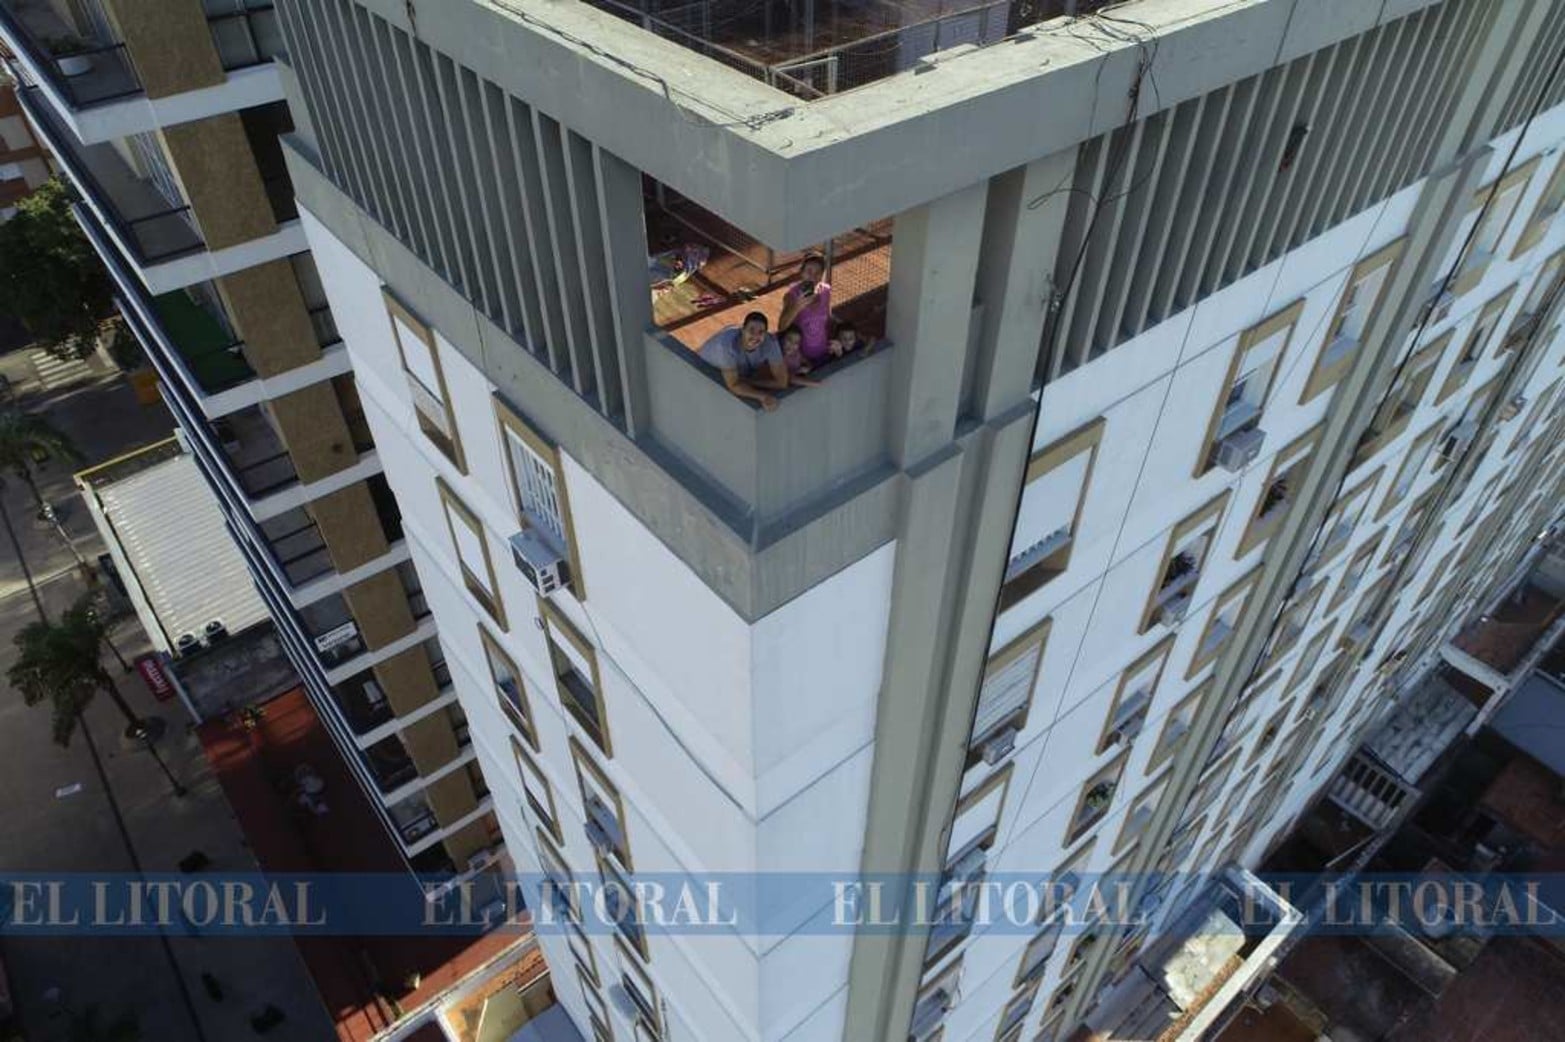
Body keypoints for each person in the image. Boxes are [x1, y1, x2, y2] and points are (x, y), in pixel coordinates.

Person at [698, 311, 790, 410]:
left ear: (766, 334)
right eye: (751, 330)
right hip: (705, 368)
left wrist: (749, 382)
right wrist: (764, 396)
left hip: (738, 369)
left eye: (761, 332)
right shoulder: (727, 347)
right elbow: (734, 385)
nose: (755, 336)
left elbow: (782, 382)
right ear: (742, 330)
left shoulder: (770, 342)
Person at [777, 255, 833, 365]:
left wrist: (831, 342)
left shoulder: (826, 291)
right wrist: (798, 306)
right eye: (809, 271)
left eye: (818, 272)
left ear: (822, 275)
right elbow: (781, 326)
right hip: (802, 360)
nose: (813, 276)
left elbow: (828, 318)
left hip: (823, 353)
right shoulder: (791, 296)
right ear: (801, 273)